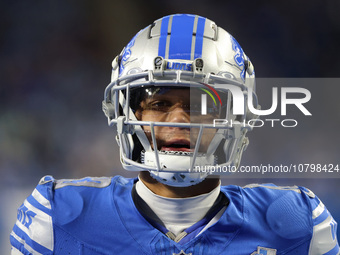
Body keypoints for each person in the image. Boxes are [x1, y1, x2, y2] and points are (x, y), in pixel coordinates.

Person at [10, 14, 339, 255]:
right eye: (160, 102)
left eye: (199, 106)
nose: (180, 119)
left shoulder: (297, 224)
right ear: (129, 113)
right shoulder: (58, 219)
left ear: (236, 118)